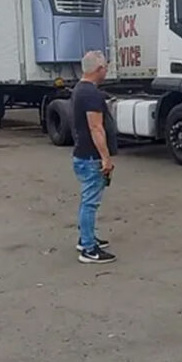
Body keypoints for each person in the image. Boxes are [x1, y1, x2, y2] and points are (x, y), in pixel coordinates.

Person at [71, 50, 118, 264]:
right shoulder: (91, 94)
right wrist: (105, 158)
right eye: (106, 67)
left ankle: (86, 238)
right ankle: (89, 249)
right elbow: (96, 128)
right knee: (90, 203)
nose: (107, 70)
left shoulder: (79, 89)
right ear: (98, 69)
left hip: (82, 154)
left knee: (86, 200)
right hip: (91, 157)